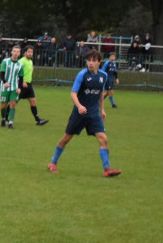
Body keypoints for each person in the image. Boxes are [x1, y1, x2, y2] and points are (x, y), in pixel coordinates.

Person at [47, 49, 121, 177]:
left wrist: (102, 109)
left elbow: (100, 94)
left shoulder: (103, 76)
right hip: (79, 113)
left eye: (93, 61)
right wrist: (79, 106)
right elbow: (73, 94)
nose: (90, 63)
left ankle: (107, 169)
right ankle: (53, 163)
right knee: (66, 138)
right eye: (89, 61)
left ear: (99, 62)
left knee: (103, 139)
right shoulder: (82, 75)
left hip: (94, 114)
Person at [19, 45, 49, 125]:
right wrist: (23, 81)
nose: (30, 53)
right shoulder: (22, 61)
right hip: (22, 84)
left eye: (32, 52)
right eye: (29, 52)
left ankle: (37, 120)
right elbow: (17, 72)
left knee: (33, 101)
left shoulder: (30, 61)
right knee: (14, 102)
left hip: (29, 85)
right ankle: (6, 117)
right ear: (25, 52)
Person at [0, 44, 24, 129]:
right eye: (15, 51)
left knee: (13, 104)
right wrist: (5, 82)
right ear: (11, 52)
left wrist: (19, 88)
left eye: (18, 52)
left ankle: (10, 122)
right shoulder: (5, 61)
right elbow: (2, 73)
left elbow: (21, 78)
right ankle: (3, 119)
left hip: (14, 87)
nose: (16, 53)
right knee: (3, 106)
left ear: (20, 53)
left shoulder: (20, 65)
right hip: (5, 87)